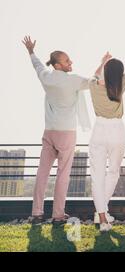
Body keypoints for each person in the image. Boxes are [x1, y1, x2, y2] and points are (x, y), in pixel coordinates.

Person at [22, 36, 91, 225]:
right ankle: (58, 215)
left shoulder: (46, 77)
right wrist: (103, 66)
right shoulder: (73, 80)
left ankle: (36, 213)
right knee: (63, 174)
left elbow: (37, 65)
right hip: (66, 133)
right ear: (58, 65)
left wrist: (31, 51)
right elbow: (93, 82)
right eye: (67, 60)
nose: (71, 63)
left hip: (49, 132)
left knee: (42, 173)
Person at [88, 37, 125, 232]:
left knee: (97, 176)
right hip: (117, 131)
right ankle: (102, 212)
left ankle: (102, 216)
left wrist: (102, 62)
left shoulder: (94, 85)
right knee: (113, 173)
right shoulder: (120, 85)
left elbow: (93, 75)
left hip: (99, 130)